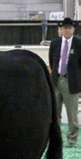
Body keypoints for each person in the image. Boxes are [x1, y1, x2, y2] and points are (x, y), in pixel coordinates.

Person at [49, 17, 80, 147]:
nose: (67, 30)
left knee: (72, 114)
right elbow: (52, 61)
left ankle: (72, 140)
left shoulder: (79, 44)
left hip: (71, 82)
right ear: (61, 29)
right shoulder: (55, 43)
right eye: (64, 28)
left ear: (74, 29)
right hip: (56, 81)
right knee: (54, 113)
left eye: (69, 28)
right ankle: (55, 139)